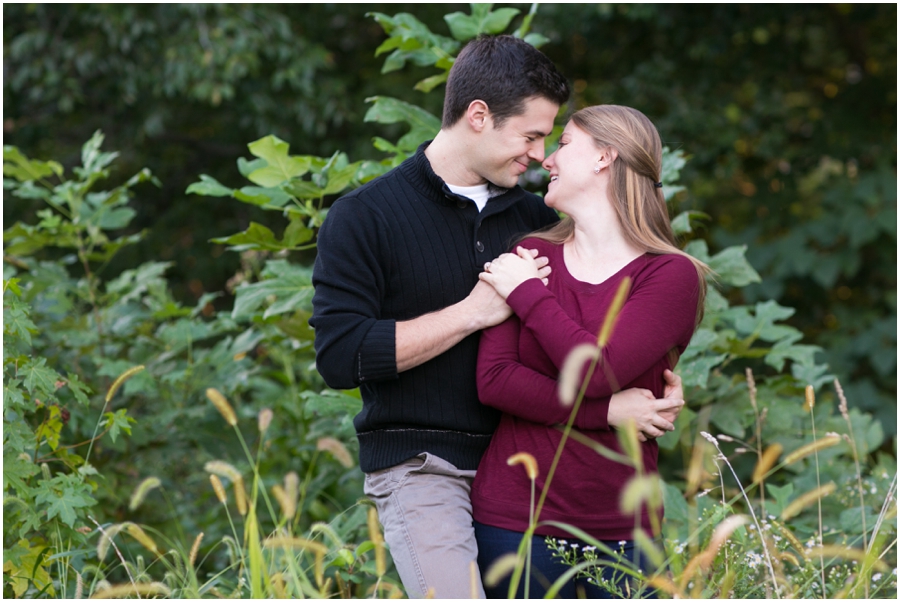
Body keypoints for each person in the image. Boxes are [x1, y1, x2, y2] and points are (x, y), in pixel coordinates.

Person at [310, 35, 686, 599]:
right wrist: (472, 313)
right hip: (425, 464)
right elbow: (341, 357)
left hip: (526, 464)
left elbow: (607, 328)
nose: (540, 155)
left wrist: (645, 392)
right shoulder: (366, 217)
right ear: (479, 116)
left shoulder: (536, 221)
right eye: (532, 136)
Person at [472, 104, 709, 599]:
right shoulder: (530, 257)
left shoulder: (668, 276)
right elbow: (494, 379)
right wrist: (608, 412)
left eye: (564, 144)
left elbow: (596, 371)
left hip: (622, 533)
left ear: (605, 156)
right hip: (516, 523)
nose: (547, 160)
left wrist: (527, 295)